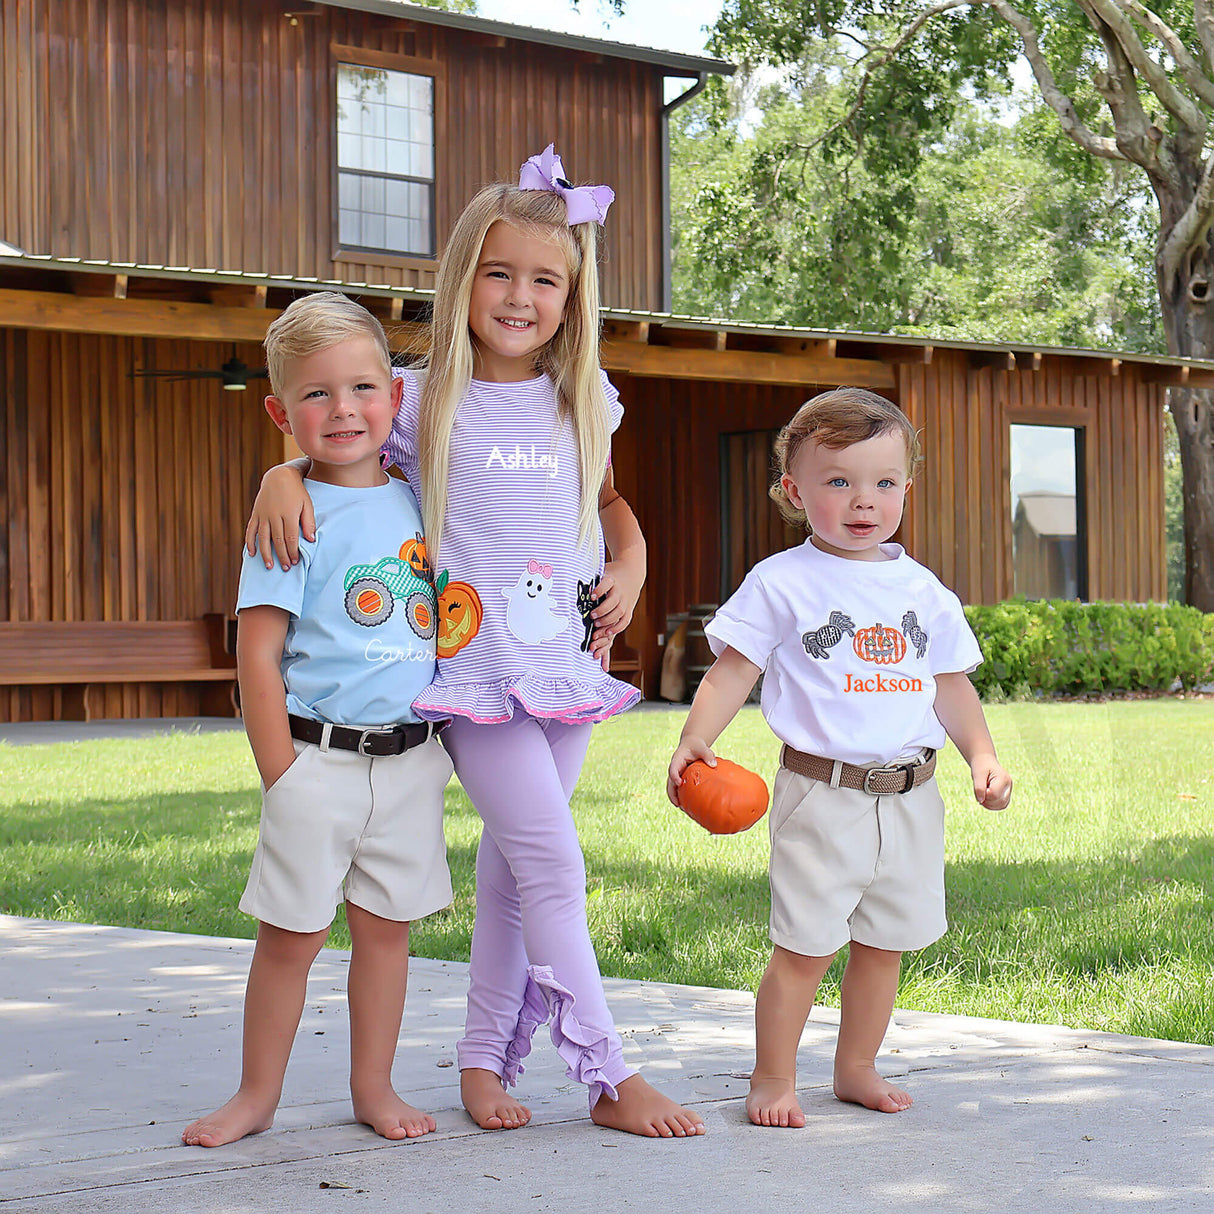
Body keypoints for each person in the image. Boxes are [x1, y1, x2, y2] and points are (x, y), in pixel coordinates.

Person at [246, 147, 704, 1139]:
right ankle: (606, 1071)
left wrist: (630, 559)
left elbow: (608, 502)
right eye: (498, 272)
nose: (518, 295)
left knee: (511, 869)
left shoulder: (588, 397)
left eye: (545, 279)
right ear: (462, 278)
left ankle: (483, 1058)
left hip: (565, 671)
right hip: (475, 679)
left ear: (571, 296)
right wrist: (280, 472)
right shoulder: (416, 399)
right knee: (550, 860)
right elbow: (336, 436)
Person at [667, 387, 1012, 1129]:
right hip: (822, 794)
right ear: (794, 492)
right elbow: (734, 668)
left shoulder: (924, 591)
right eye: (839, 482)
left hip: (912, 795)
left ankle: (856, 1068)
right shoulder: (783, 582)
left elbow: (949, 685)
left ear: (907, 490)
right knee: (805, 949)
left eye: (884, 483)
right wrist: (698, 738)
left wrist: (981, 756)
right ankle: (771, 1077)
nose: (864, 501)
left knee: (884, 946)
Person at [183, 293, 454, 1148]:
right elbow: (257, 654)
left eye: (363, 388)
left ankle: (373, 1087)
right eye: (315, 395)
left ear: (396, 399)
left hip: (412, 763)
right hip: (316, 763)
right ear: (279, 413)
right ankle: (255, 1095)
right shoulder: (289, 513)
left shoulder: (425, 501)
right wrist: (282, 774)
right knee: (291, 939)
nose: (342, 410)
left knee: (385, 937)